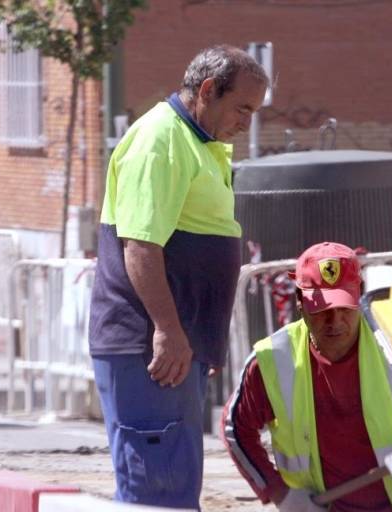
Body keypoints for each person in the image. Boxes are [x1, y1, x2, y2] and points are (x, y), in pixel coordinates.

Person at [88, 45, 269, 510]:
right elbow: (140, 247)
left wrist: (199, 340)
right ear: (208, 91)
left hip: (175, 350)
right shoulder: (161, 141)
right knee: (156, 492)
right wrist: (169, 332)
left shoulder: (201, 144)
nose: (247, 123)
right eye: (242, 108)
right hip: (148, 349)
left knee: (173, 488)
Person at [221, 242, 392, 512]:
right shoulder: (274, 360)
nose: (335, 321)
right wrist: (280, 493)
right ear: (299, 301)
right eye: (322, 309)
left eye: (344, 307)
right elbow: (236, 427)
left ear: (360, 296)